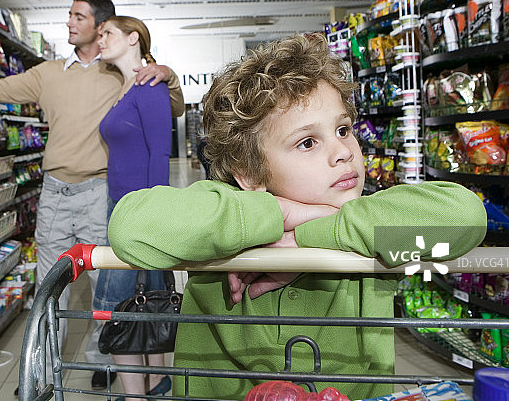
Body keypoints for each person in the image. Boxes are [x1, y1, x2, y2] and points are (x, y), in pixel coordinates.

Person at [107, 34, 486, 400]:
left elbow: (466, 217)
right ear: (249, 173)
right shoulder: (223, 216)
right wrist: (280, 213)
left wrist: (309, 235)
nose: (343, 151)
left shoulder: (369, 224)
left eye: (343, 129)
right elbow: (129, 229)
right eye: (307, 142)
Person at [0, 0, 185, 390]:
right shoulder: (48, 73)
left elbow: (171, 106)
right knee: (49, 285)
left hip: (100, 189)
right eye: (69, 16)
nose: (69, 23)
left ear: (101, 26)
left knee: (107, 285)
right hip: (55, 193)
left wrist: (168, 73)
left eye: (78, 16)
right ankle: (42, 373)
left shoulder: (119, 73)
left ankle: (106, 362)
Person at [91, 16, 172, 401]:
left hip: (137, 211)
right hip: (122, 206)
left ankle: (135, 395)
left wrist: (153, 214)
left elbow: (160, 153)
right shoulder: (126, 87)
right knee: (145, 297)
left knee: (118, 305)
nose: (100, 39)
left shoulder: (149, 86)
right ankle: (154, 382)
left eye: (107, 33)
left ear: (133, 38)